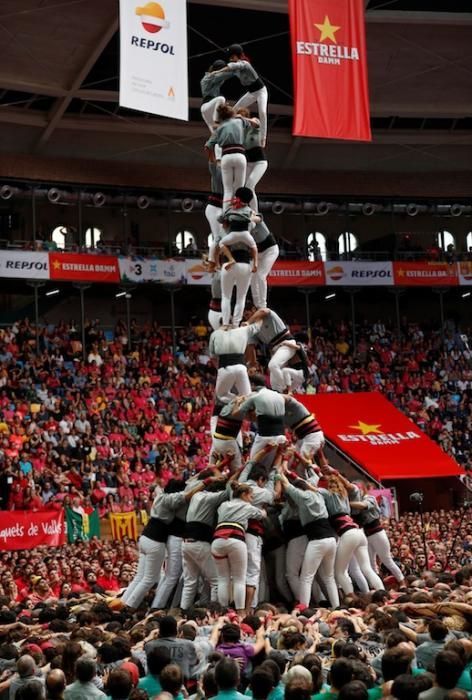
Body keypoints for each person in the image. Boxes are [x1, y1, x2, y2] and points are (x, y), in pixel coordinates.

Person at [122, 479, 207, 611]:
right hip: (156, 540)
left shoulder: (160, 495)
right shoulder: (170, 499)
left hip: (145, 537)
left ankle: (122, 603)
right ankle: (130, 607)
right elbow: (187, 495)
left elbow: (159, 488)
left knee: (140, 577)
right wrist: (206, 482)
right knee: (150, 579)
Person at [278, 469, 339, 608]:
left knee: (306, 577)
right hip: (331, 539)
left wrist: (279, 471)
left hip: (317, 539)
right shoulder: (319, 494)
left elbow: (287, 485)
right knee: (329, 577)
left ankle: (304, 608)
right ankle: (337, 607)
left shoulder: (302, 497)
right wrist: (291, 472)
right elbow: (301, 483)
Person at [319, 469, 384, 595]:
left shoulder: (327, 494)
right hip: (360, 533)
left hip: (348, 535)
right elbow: (349, 486)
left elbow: (310, 488)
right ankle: (382, 594)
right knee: (366, 568)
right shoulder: (344, 496)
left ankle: (351, 598)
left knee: (339, 573)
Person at [210, 480, 266, 613]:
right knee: (239, 579)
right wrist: (263, 510)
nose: (251, 499)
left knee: (223, 579)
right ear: (245, 494)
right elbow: (261, 515)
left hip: (217, 541)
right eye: (251, 496)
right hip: (236, 539)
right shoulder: (247, 507)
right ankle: (240, 613)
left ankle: (223, 612)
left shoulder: (223, 505)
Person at [180, 476, 228, 611]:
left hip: (185, 543)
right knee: (216, 581)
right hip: (199, 543)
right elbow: (228, 492)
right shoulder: (211, 498)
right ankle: (212, 613)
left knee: (190, 582)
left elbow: (189, 482)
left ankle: (183, 611)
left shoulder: (196, 495)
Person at [349, 483, 405, 587]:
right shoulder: (356, 503)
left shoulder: (369, 498)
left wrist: (347, 503)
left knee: (386, 560)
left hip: (377, 533)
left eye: (359, 489)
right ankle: (378, 585)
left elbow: (363, 505)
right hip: (366, 535)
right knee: (371, 563)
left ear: (363, 489)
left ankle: (402, 582)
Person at [214, 44, 269, 148]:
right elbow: (228, 74)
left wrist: (218, 71)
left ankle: (263, 138)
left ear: (238, 56)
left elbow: (236, 66)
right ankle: (222, 127)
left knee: (262, 112)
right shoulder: (236, 69)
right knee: (233, 110)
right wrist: (217, 77)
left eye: (232, 57)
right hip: (251, 93)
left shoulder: (245, 64)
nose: (231, 59)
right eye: (230, 57)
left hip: (261, 91)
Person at [245, 307, 298, 394]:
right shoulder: (252, 329)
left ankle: (287, 389)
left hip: (287, 344)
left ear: (254, 310)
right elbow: (250, 347)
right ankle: (283, 399)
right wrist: (252, 365)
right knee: (274, 385)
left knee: (273, 365)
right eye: (245, 316)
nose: (246, 317)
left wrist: (248, 322)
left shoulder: (265, 313)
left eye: (247, 314)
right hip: (275, 350)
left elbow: (263, 311)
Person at [206, 105, 249, 207]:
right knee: (239, 188)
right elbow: (249, 124)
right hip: (239, 156)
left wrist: (212, 160)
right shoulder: (239, 121)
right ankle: (238, 211)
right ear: (231, 113)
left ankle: (226, 213)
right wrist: (239, 117)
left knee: (228, 189)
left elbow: (207, 146)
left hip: (226, 157)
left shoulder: (219, 128)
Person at [209, 320, 261, 403]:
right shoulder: (242, 330)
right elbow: (258, 325)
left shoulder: (215, 334)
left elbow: (213, 357)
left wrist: (219, 369)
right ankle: (249, 401)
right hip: (241, 368)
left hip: (225, 367)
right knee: (247, 396)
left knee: (221, 395)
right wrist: (248, 322)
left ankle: (239, 400)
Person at [236, 374, 286, 459]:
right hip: (281, 436)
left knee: (252, 465)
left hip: (265, 437)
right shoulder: (278, 395)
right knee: (269, 468)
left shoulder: (254, 395)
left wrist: (237, 402)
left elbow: (237, 413)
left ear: (252, 384)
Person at [145, 616, 198, 681]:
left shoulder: (149, 645)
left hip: (155, 683)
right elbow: (194, 662)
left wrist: (147, 639)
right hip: (181, 684)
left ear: (159, 631)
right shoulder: (188, 644)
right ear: (176, 630)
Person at [249, 221, 279, 311]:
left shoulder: (257, 218)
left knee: (261, 275)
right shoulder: (244, 230)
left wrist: (248, 216)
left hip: (271, 251)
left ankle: (263, 305)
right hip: (258, 253)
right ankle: (256, 304)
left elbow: (257, 218)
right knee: (253, 276)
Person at [200, 60, 229, 133]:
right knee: (221, 99)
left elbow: (223, 78)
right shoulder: (210, 76)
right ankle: (216, 120)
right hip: (207, 105)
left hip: (208, 110)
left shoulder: (212, 78)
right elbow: (227, 75)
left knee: (217, 136)